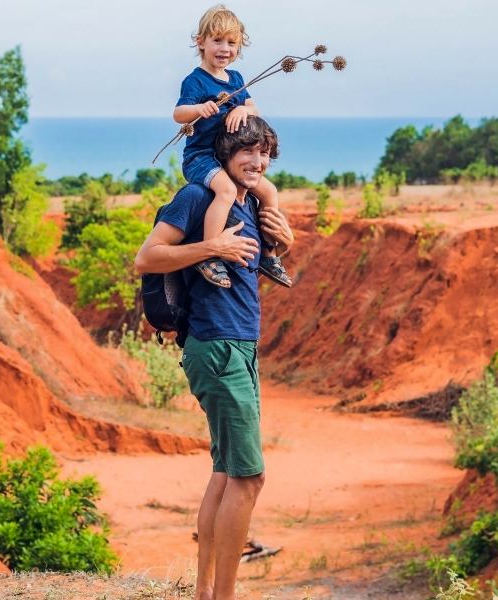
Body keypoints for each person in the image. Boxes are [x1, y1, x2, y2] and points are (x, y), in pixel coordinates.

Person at [135, 116, 293, 600]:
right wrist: (211, 246)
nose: (257, 161)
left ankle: (205, 591)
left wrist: (283, 240)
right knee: (250, 477)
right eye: (247, 151)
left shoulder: (249, 203)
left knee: (226, 472)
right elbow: (147, 257)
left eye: (264, 153)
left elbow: (252, 268)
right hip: (216, 346)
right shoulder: (198, 198)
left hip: (240, 347)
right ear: (224, 153)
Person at [174, 4, 293, 290]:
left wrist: (244, 111)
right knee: (226, 190)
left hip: (226, 158)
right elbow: (178, 114)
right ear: (200, 42)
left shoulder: (237, 79)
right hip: (202, 157)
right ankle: (210, 252)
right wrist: (199, 108)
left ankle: (269, 252)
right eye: (217, 41)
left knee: (269, 191)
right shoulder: (196, 80)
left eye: (232, 43)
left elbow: (252, 105)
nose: (224, 48)